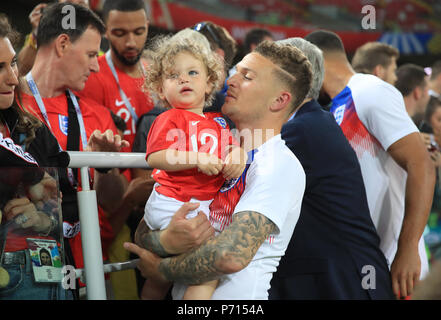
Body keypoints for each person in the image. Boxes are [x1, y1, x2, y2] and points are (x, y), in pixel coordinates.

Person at [124, 40, 313, 300]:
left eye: (247, 76)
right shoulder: (213, 143)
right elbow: (144, 229)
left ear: (279, 100)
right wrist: (166, 240)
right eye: (235, 71)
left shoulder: (278, 165)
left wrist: (161, 269)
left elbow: (229, 256)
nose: (231, 80)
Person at [306, 30, 435, 299]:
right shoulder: (335, 106)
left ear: (314, 62)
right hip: (367, 263)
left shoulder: (370, 90)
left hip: (397, 265)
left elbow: (421, 164)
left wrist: (408, 248)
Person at [17, 3, 130, 295]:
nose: (96, 65)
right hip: (20, 271)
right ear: (63, 44)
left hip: (85, 271)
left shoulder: (98, 116)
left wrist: (105, 164)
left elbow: (112, 201)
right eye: (92, 54)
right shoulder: (10, 105)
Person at [268, 37, 394, 299]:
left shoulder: (302, 131)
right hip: (343, 276)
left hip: (343, 282)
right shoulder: (309, 122)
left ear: (289, 80)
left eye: (254, 75)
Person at [140, 29, 247, 300]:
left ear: (210, 82)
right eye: (173, 76)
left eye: (192, 73)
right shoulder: (169, 118)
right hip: (173, 202)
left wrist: (238, 154)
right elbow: (156, 156)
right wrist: (196, 158)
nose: (183, 80)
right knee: (207, 270)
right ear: (160, 88)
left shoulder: (218, 122)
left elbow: (231, 147)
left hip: (201, 205)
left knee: (163, 278)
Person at [78, 0, 154, 155]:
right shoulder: (90, 76)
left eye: (139, 32)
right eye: (120, 33)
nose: (131, 43)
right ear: (105, 30)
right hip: (113, 175)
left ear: (147, 26)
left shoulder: (160, 75)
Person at [17, 0, 90, 76]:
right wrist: (39, 31)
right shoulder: (38, 41)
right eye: (68, 4)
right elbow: (21, 72)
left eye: (81, 5)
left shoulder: (98, 56)